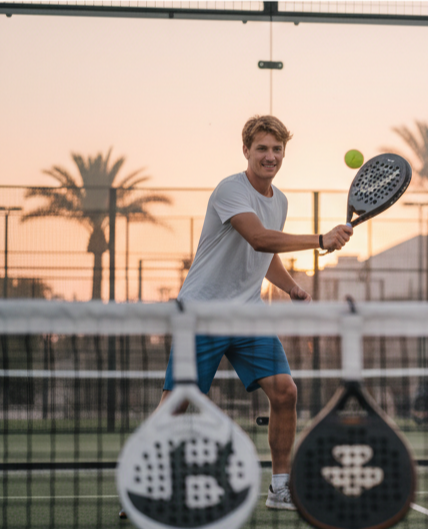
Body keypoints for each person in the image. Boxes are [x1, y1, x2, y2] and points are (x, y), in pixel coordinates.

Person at [121, 115, 353, 519]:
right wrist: (319, 240)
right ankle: (138, 486)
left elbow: (263, 255)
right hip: (202, 312)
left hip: (248, 315)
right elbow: (258, 237)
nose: (270, 156)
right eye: (261, 148)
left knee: (286, 393)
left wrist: (291, 287)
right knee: (176, 403)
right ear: (245, 150)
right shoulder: (231, 189)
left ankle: (281, 488)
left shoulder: (279, 200)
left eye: (277, 149)